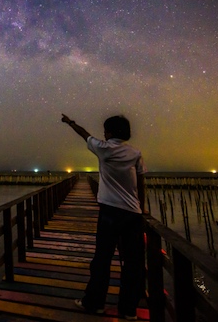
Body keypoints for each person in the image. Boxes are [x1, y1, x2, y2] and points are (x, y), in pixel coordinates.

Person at [61, 113, 147, 321]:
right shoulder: (135, 153)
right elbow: (141, 183)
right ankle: (128, 309)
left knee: (102, 259)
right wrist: (142, 209)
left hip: (109, 212)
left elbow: (84, 134)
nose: (103, 133)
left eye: (105, 130)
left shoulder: (103, 148)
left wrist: (70, 122)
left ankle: (95, 303)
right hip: (132, 215)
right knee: (132, 263)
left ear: (109, 132)